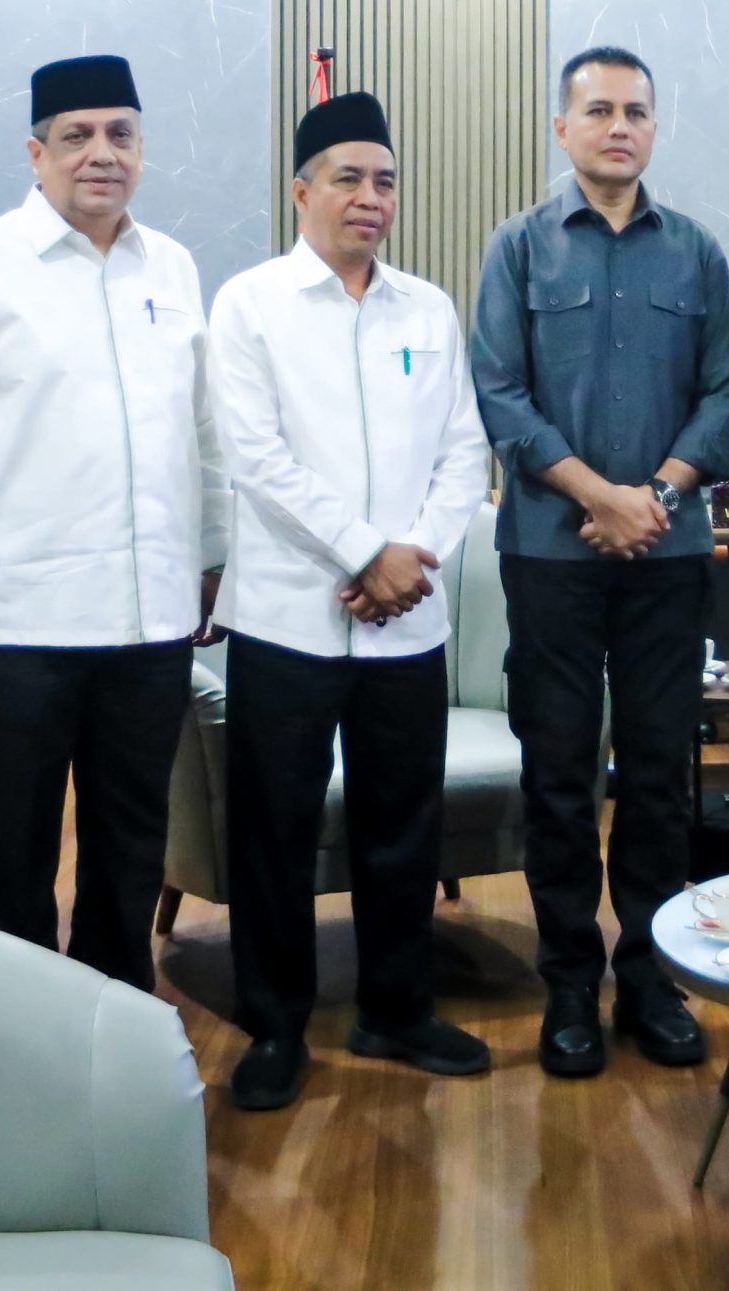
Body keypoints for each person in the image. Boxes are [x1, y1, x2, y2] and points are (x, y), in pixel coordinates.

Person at [0, 54, 228, 992]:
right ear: (36, 153)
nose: (102, 153)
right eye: (77, 136)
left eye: (121, 134)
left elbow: (202, 434)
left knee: (132, 847)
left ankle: (115, 1026)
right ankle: (14, 1035)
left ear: (142, 149)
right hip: (20, 628)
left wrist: (213, 559)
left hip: (151, 624)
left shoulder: (171, 265)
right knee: (14, 855)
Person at [209, 92, 495, 1109]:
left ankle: (397, 1006)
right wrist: (366, 552)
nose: (370, 197)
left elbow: (465, 451)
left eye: (384, 180)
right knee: (275, 829)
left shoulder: (428, 308)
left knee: (401, 822)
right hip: (287, 616)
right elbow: (255, 458)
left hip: (407, 618)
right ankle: (275, 1024)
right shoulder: (250, 304)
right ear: (301, 192)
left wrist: (412, 558)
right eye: (347, 178)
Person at [472, 46, 729, 1078]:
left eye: (635, 111)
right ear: (563, 128)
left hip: (668, 552)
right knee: (558, 773)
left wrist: (655, 498)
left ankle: (652, 976)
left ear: (654, 128)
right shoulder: (519, 247)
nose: (618, 126)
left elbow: (727, 391)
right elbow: (500, 393)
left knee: (663, 771)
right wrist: (598, 495)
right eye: (598, 110)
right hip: (552, 552)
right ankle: (569, 984)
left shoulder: (697, 253)